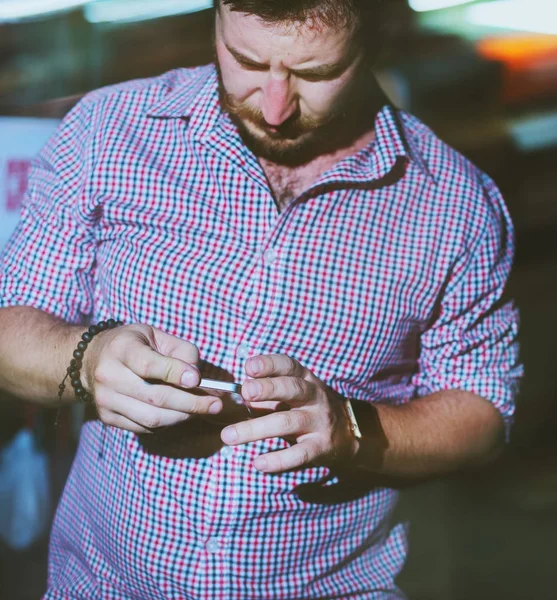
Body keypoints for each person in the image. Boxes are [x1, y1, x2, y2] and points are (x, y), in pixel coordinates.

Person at [0, 0, 522, 598]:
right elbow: (8, 327)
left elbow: (484, 415)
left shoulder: (457, 205)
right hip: (101, 583)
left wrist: (352, 432)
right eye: (246, 59)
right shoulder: (108, 131)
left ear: (377, 38)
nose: (274, 107)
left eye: (317, 73)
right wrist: (88, 358)